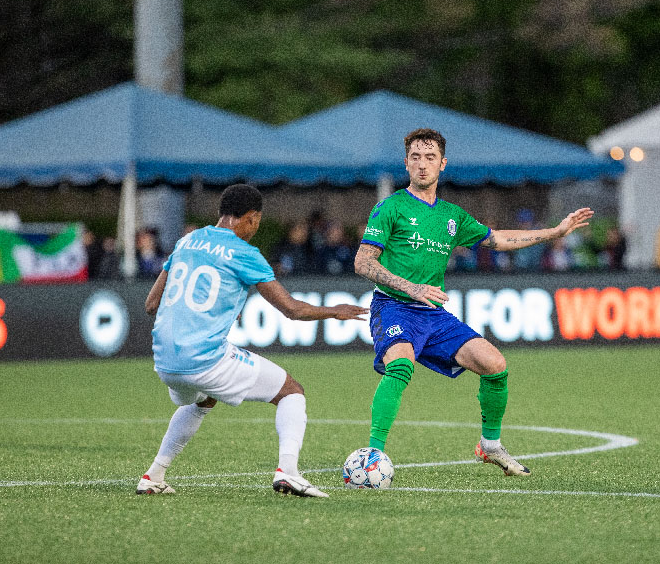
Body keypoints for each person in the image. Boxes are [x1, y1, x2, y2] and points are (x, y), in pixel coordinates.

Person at [353, 128, 593, 477]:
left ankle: (490, 446)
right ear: (406, 163)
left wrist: (554, 233)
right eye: (416, 158)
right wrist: (411, 287)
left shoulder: (452, 216)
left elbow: (497, 240)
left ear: (443, 164)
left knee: (495, 365)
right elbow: (363, 262)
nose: (422, 165)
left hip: (433, 315)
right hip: (394, 307)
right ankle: (372, 456)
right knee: (401, 366)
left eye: (430, 158)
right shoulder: (390, 207)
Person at [138, 184, 367, 498]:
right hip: (203, 358)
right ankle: (288, 472)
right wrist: (335, 311)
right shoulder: (245, 254)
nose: (255, 228)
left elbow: (152, 304)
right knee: (291, 392)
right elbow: (292, 309)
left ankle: (154, 475)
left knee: (203, 399)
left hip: (164, 359)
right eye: (255, 221)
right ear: (248, 218)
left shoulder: (187, 240)